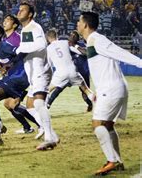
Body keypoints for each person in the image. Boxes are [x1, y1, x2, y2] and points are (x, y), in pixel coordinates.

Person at [77, 11, 142, 175]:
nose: (77, 24)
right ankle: (117, 161)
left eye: (79, 21)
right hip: (111, 88)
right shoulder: (92, 42)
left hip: (111, 89)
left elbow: (120, 53)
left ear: (85, 25)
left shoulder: (98, 39)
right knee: (108, 125)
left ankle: (112, 160)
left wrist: (140, 63)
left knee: (97, 125)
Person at [0, 20, 36, 146]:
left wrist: (11, 65)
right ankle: (0, 126)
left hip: (18, 77)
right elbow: (2, 61)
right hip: (13, 76)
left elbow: (23, 52)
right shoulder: (0, 48)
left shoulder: (6, 45)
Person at [16, 3, 58, 150]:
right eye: (19, 9)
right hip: (34, 73)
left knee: (39, 104)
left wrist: (20, 49)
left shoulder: (35, 27)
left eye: (23, 10)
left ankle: (49, 138)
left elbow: (41, 45)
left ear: (30, 15)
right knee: (29, 106)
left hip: (41, 70)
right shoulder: (26, 30)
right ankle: (52, 133)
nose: (19, 11)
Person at [44, 29, 93, 109]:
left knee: (48, 90)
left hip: (69, 72)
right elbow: (82, 52)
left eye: (74, 35)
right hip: (74, 71)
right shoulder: (66, 43)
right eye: (71, 35)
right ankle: (97, 101)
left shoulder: (49, 48)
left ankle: (44, 107)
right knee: (86, 90)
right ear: (57, 36)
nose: (71, 37)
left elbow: (48, 65)